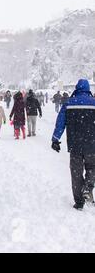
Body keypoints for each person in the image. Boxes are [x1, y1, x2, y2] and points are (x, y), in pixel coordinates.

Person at [52, 79, 95, 210]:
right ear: (88, 89)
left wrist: (55, 139)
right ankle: (88, 187)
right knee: (92, 168)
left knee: (76, 173)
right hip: (92, 144)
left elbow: (61, 122)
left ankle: (79, 202)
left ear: (76, 88)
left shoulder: (69, 103)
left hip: (75, 145)